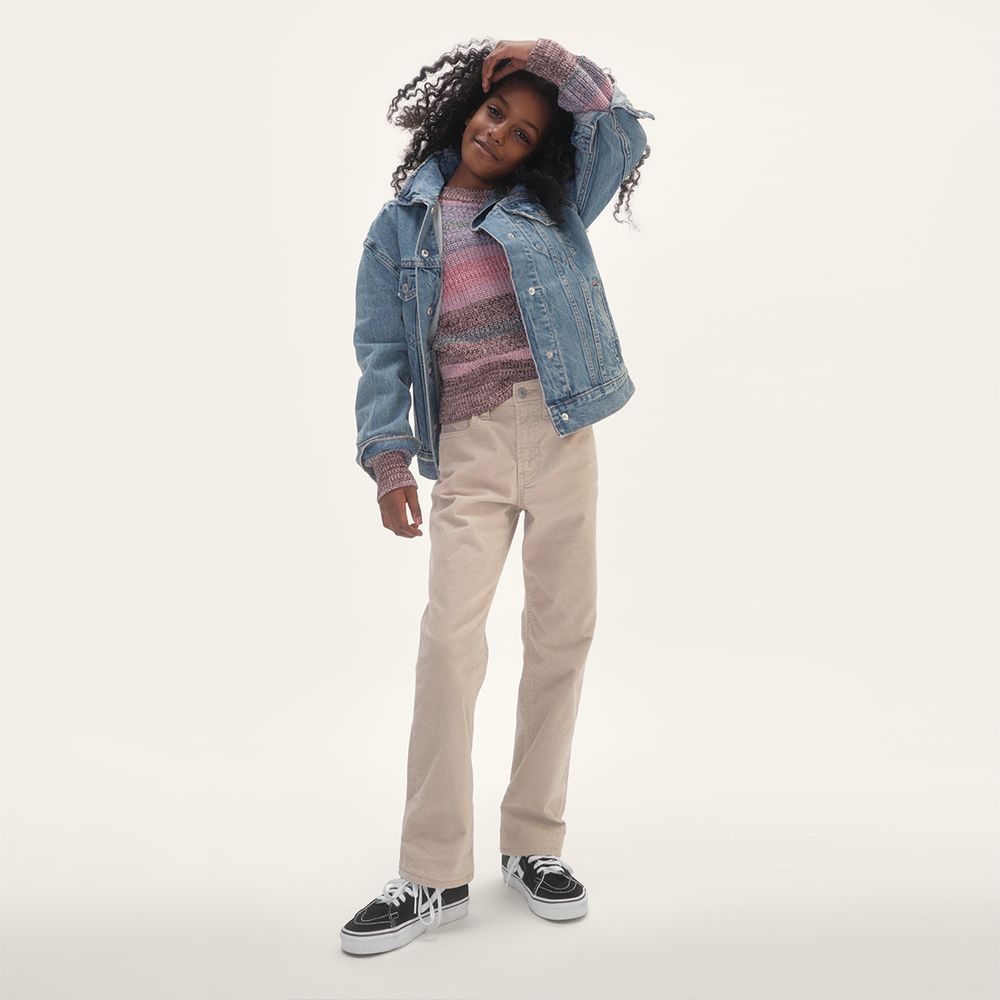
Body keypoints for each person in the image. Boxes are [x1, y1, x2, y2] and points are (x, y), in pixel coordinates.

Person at [341, 36, 654, 956]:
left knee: (562, 636)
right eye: (494, 114)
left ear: (537, 154)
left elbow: (621, 131)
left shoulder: (554, 207)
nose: (500, 136)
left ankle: (533, 844)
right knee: (449, 644)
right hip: (471, 447)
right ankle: (433, 872)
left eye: (522, 134)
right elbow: (381, 351)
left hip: (562, 433)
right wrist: (388, 461)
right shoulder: (401, 225)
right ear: (465, 109)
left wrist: (548, 57)